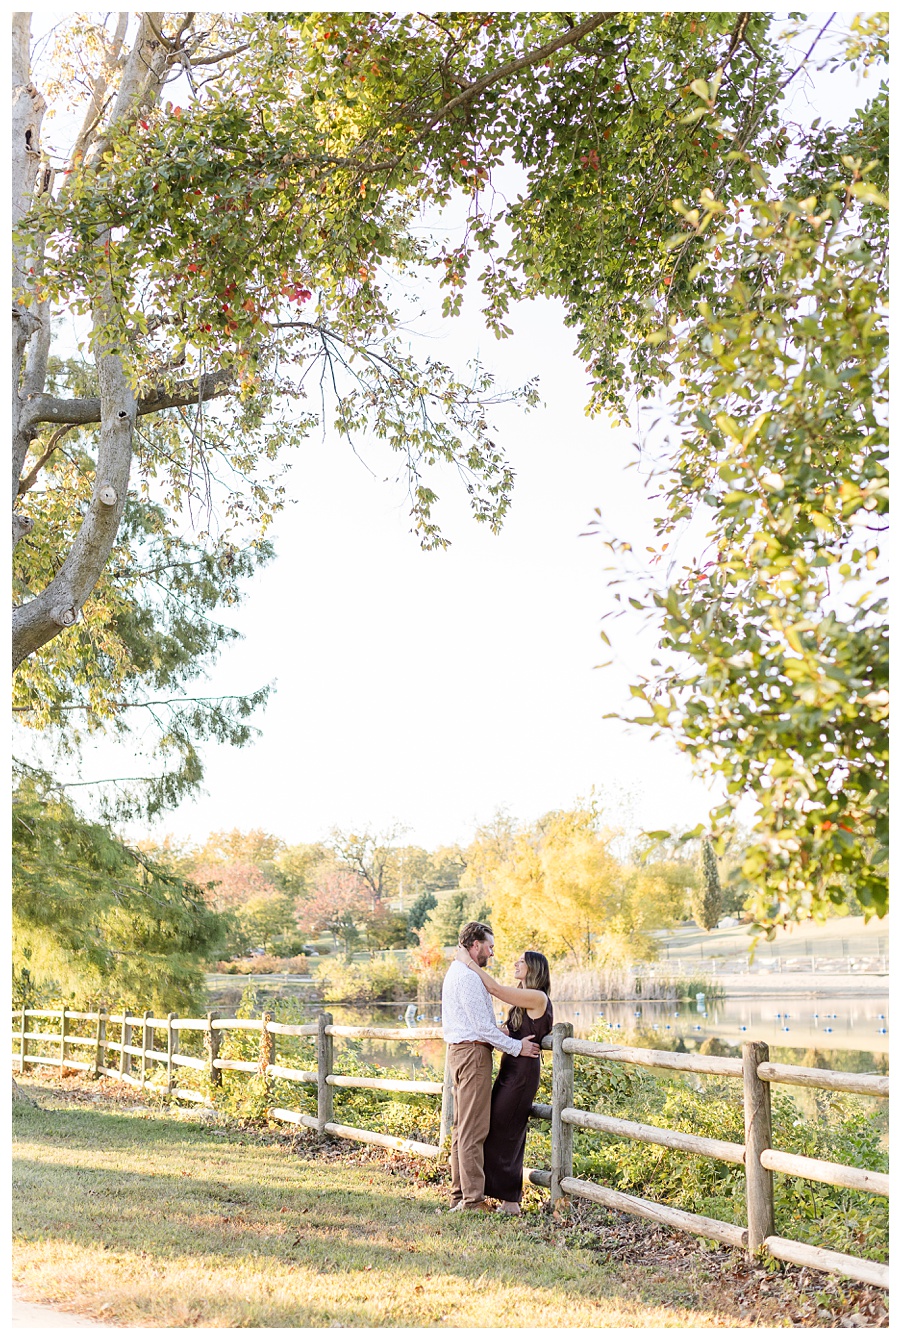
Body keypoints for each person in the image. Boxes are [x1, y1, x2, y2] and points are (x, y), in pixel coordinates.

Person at [441, 921, 540, 1211]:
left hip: (462, 1052)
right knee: (474, 1130)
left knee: (462, 1129)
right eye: (489, 947)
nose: (492, 953)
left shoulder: (457, 971)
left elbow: (479, 1023)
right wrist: (516, 1046)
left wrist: (500, 1031)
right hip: (473, 1056)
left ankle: (460, 1196)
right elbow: (482, 1030)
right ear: (475, 945)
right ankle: (472, 1200)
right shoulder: (468, 977)